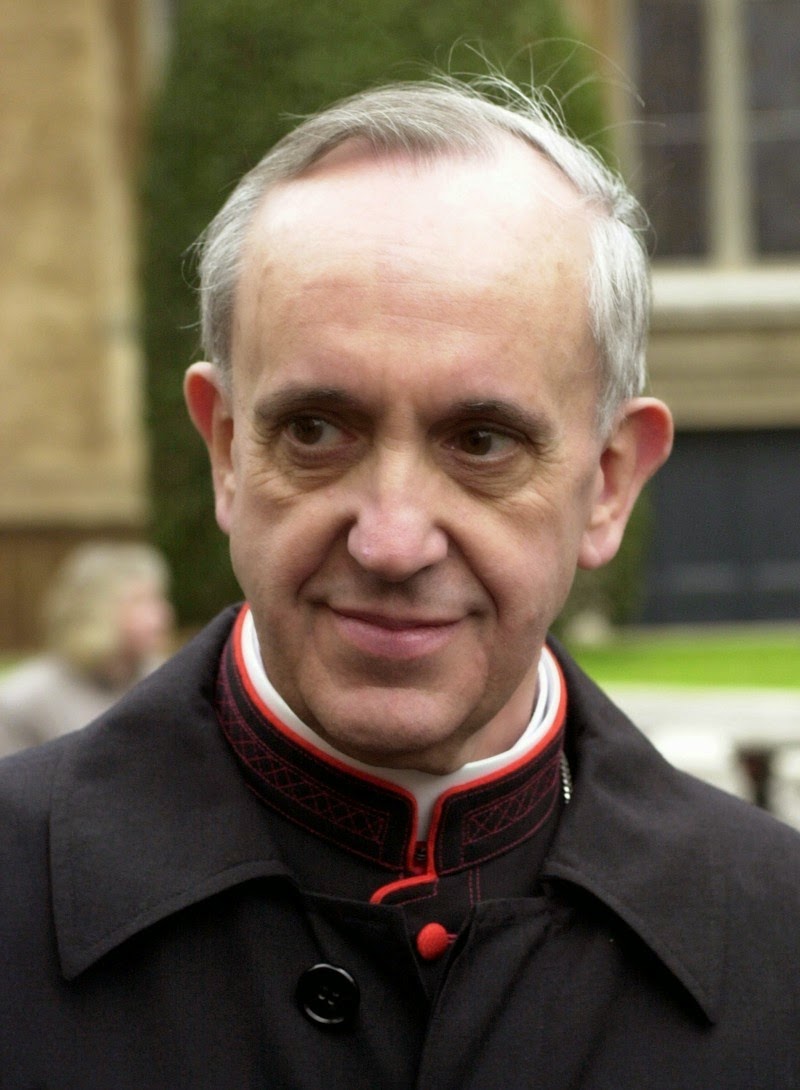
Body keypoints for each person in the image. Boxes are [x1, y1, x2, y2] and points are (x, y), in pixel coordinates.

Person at [1, 77, 799, 1088]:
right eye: (315, 431)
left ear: (607, 485)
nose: (389, 541)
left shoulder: (777, 943)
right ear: (226, 451)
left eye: (481, 441)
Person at [0, 540, 173, 757]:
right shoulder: (25, 700)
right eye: (139, 601)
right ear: (92, 609)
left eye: (158, 599)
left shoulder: (167, 682)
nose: (162, 614)